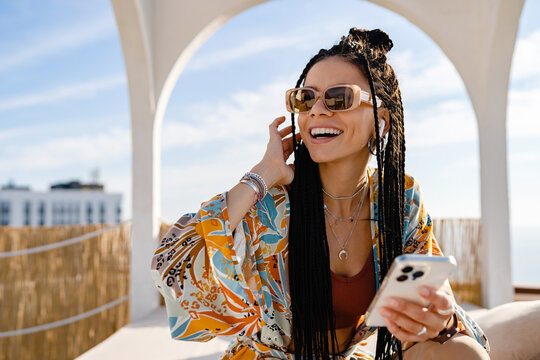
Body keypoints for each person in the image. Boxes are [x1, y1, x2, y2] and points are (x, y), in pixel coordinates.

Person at [151, 28, 490, 360]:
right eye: (305, 98)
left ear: (381, 120)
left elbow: (431, 296)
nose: (316, 111)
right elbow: (172, 265)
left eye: (338, 98)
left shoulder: (398, 200)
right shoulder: (271, 202)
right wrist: (263, 175)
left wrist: (440, 317)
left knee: (465, 353)